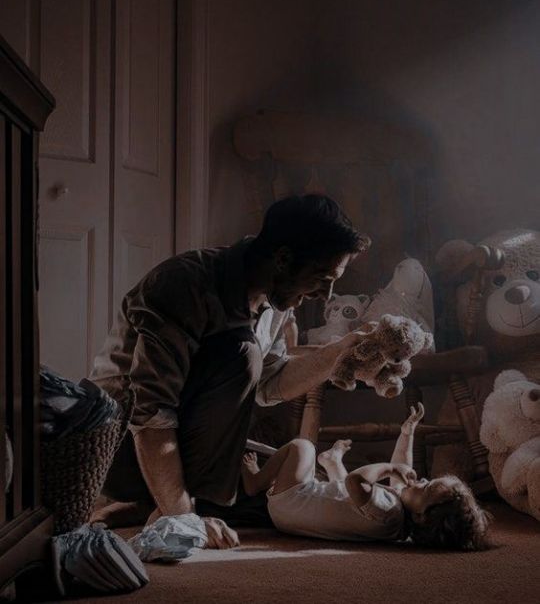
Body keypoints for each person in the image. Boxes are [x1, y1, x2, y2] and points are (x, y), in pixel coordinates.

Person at [90, 194, 370, 548]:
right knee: (241, 352)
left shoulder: (276, 299)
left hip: (179, 444)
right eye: (321, 279)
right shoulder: (182, 284)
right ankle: (161, 503)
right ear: (283, 259)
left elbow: (270, 384)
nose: (326, 295)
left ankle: (149, 505)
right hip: (119, 449)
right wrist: (184, 519)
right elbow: (150, 412)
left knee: (291, 496)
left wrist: (338, 353)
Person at [241, 403, 491, 551]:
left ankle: (255, 480)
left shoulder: (389, 510)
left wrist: (389, 469)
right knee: (341, 494)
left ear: (421, 516)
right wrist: (407, 434)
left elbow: (355, 481)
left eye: (426, 488)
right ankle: (332, 462)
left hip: (291, 502)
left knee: (303, 447)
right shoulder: (397, 522)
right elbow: (402, 469)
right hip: (291, 518)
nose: (422, 481)